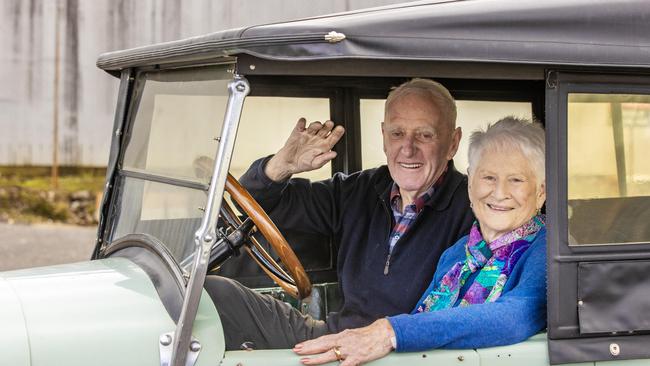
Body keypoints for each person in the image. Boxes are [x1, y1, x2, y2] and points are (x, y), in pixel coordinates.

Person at [204, 78, 474, 350]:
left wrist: (394, 337)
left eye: (425, 135)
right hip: (337, 337)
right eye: (397, 133)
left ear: (453, 142)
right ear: (383, 136)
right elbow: (255, 203)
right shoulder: (360, 190)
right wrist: (282, 165)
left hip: (405, 351)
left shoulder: (474, 208)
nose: (408, 148)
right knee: (213, 294)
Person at [294, 117, 547, 365]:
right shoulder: (458, 253)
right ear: (471, 185)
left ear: (541, 191)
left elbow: (516, 315)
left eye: (516, 180)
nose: (500, 193)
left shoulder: (548, 247)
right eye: (489, 178)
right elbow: (421, 319)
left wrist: (390, 331)